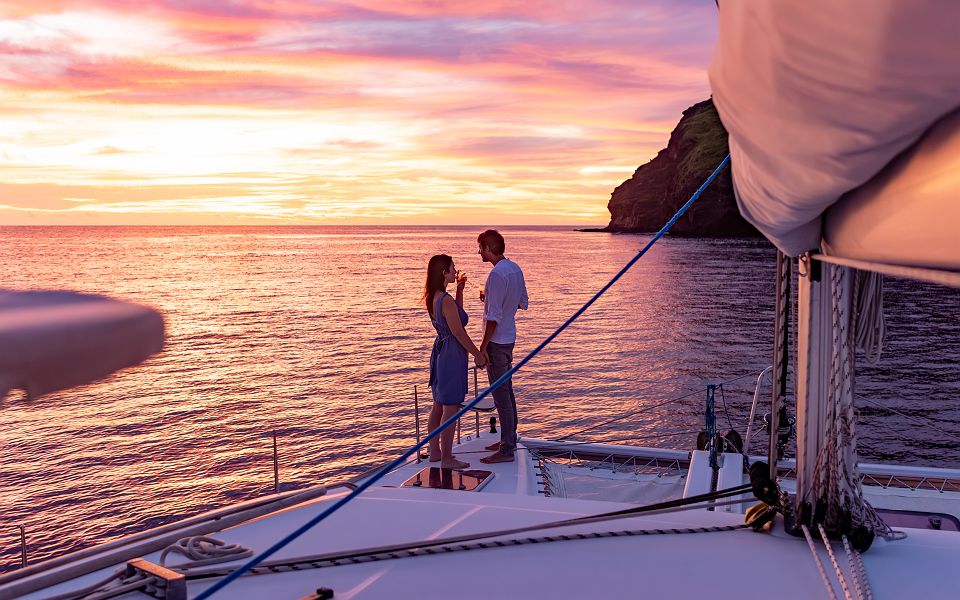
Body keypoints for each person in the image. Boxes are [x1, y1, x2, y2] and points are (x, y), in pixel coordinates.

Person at [423, 254, 487, 469]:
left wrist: (460, 290)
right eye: (452, 268)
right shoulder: (445, 300)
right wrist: (478, 354)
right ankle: (447, 459)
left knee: (438, 406)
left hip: (441, 353)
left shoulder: (435, 297)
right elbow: (459, 332)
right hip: (451, 355)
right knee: (451, 409)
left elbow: (456, 317)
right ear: (444, 272)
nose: (455, 270)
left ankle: (435, 452)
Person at [476, 230, 528, 464]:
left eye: (480, 248)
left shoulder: (496, 275)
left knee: (501, 395)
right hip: (510, 337)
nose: (479, 252)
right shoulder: (515, 268)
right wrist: (489, 299)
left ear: (488, 247)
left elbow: (493, 317)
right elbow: (520, 302)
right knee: (507, 390)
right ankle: (510, 438)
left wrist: (482, 347)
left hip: (497, 342)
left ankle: (506, 449)